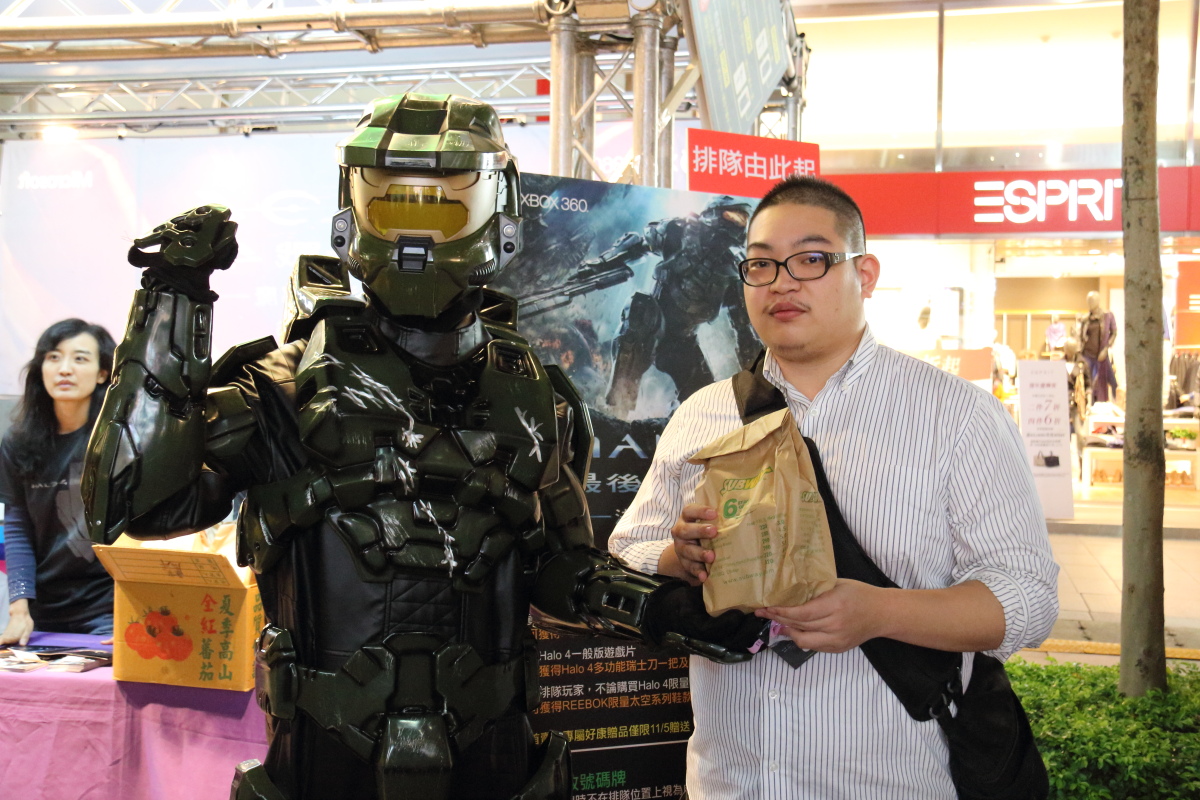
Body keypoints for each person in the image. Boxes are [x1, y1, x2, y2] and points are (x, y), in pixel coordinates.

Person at [82, 94, 757, 800]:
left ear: (496, 212)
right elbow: (134, 503)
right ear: (353, 212)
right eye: (394, 203)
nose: (417, 236)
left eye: (443, 206)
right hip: (323, 768)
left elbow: (559, 568)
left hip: (493, 764)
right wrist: (172, 297)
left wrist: (659, 608)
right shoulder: (280, 389)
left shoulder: (536, 397)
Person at [608, 176, 1059, 799]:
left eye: (811, 259)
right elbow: (628, 547)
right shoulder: (701, 415)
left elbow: (1028, 596)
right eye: (761, 264)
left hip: (895, 782)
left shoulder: (957, 416)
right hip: (731, 781)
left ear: (864, 274)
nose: (781, 282)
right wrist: (675, 557)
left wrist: (879, 613)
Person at [1, 318, 116, 646]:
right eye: (53, 357)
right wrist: (19, 608)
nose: (65, 369)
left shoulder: (117, 439)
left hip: (108, 608)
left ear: (102, 373)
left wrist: (137, 610)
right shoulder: (18, 442)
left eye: (80, 358)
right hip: (43, 609)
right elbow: (18, 526)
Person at [1077, 290, 1118, 403]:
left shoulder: (1107, 316)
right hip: (1087, 354)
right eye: (1088, 301)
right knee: (1088, 382)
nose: (1090, 303)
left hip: (1101, 354)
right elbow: (1081, 337)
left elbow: (1114, 332)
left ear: (1098, 301)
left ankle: (1116, 402)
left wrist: (1106, 348)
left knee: (1111, 381)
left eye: (1092, 300)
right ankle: (1089, 404)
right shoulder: (1086, 319)